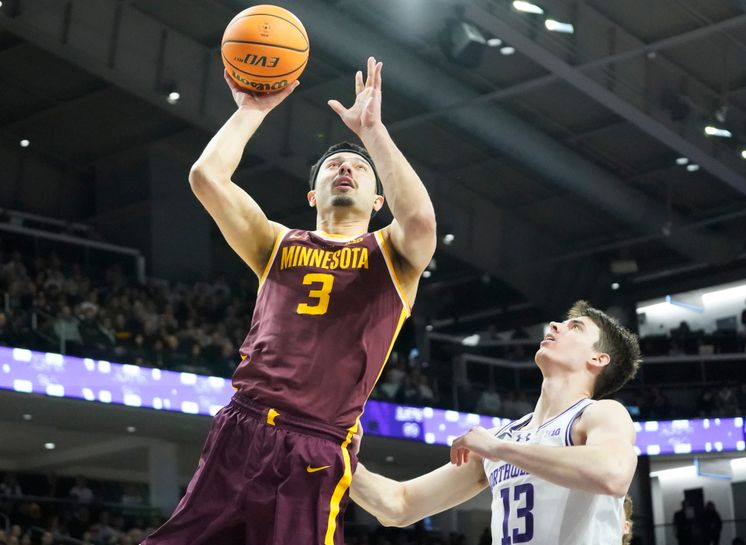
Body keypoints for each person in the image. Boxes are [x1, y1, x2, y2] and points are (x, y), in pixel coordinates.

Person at [142, 56, 436, 545]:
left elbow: (422, 220)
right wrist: (252, 110)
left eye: (359, 167)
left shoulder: (393, 254)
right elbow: (206, 178)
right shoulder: (276, 243)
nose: (346, 168)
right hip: (240, 426)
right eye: (333, 166)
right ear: (312, 196)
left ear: (379, 202)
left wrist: (372, 133)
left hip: (313, 444)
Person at [349, 300, 642, 545]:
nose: (555, 325)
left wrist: (499, 449)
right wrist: (341, 456)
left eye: (574, 327)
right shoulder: (499, 438)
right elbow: (399, 506)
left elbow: (613, 475)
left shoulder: (600, 413)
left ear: (599, 358)